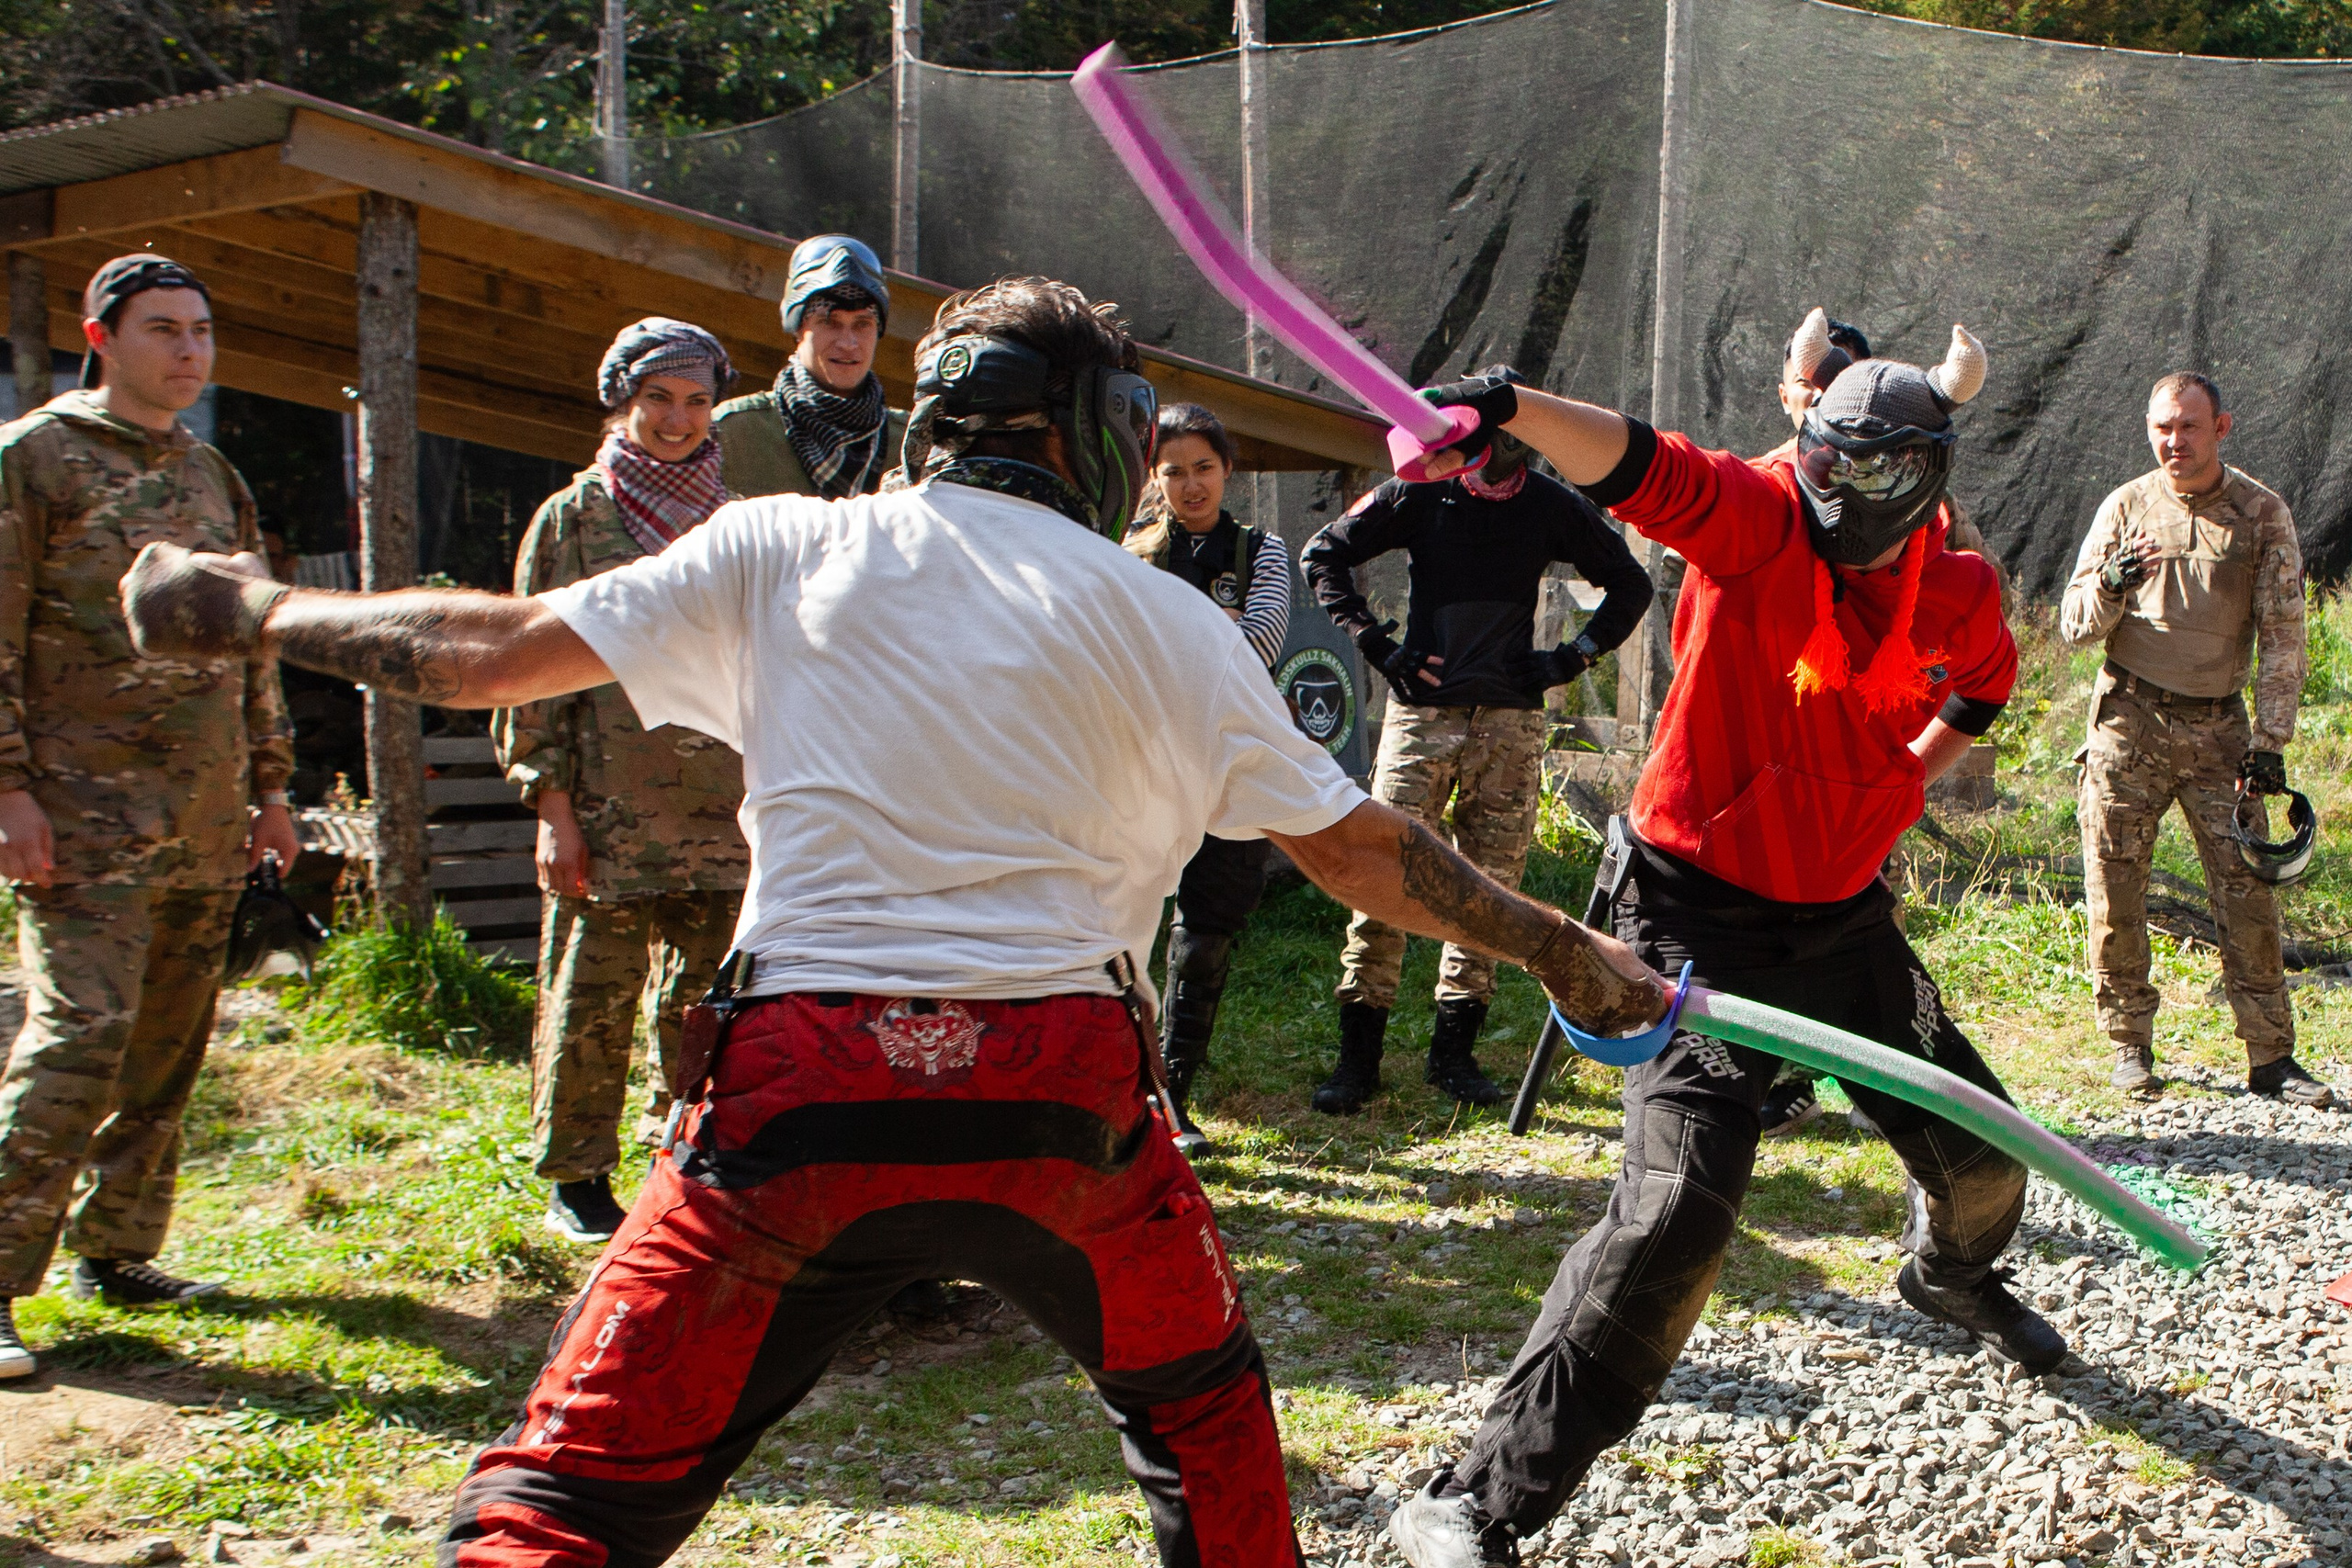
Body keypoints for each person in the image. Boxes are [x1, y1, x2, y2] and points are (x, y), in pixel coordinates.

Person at [118, 275, 1669, 1567]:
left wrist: (250, 609)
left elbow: (484, 648)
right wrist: (1565, 949)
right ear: (1105, 436)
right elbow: (1366, 851)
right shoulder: (1169, 620)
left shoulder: (780, 543)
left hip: (799, 1096)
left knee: (559, 1501)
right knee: (1216, 1454)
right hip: (1065, 1114)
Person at [1377, 313, 2071, 1568]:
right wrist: (1505, 402)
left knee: (1987, 1164)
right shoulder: (1756, 522)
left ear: (1926, 478)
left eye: (1878, 474)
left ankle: (1952, 1275)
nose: (1844, 495)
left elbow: (1987, 682)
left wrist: (1906, 776)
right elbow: (1645, 460)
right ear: (1809, 450)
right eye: (1831, 463)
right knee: (1675, 1215)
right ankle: (1471, 1500)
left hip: (1847, 930)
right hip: (1688, 925)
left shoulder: (1957, 587)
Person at [0, 254, 299, 1383]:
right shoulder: (35, 459)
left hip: (208, 811)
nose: (189, 352)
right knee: (78, 1037)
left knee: (168, 1045)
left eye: (203, 332)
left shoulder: (213, 472)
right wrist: (7, 789)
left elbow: (255, 636)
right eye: (165, 330)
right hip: (78, 818)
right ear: (101, 335)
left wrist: (274, 793)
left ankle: (118, 1253)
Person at [1301, 369, 1653, 1112]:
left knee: (1492, 888)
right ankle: (1357, 1059)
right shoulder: (1422, 491)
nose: (1512, 449)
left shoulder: (1552, 505)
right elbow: (1323, 554)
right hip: (1423, 717)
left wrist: (1570, 658)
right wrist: (1381, 647)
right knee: (1384, 872)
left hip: (1509, 722)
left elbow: (1630, 583)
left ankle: (1453, 1055)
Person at [493, 319, 751, 1245]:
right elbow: (526, 670)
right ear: (623, 403)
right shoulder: (572, 519)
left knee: (708, 1000)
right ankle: (577, 1175)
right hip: (607, 806)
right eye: (657, 401)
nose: (677, 421)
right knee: (590, 994)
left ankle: (682, 1150)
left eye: (694, 402)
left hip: (727, 810)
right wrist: (550, 804)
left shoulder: (740, 520)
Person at [2060, 372, 2329, 1106]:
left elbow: (2284, 635)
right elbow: (2074, 622)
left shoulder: (2259, 514)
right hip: (2130, 721)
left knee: (2247, 894)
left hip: (2220, 732)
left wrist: (2271, 743)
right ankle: (2129, 1046)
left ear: (2222, 427)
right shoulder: (2127, 506)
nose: (2173, 442)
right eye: (2161, 428)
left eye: (2188, 427)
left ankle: (2271, 1055)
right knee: (2115, 886)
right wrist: (2112, 582)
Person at [1123, 402, 1292, 1156]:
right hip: (1141, 765)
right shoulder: (1128, 554)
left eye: (1203, 468)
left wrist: (1174, 641)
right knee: (1119, 927)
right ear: (1152, 479)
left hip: (1231, 764)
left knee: (1205, 936)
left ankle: (1175, 1094)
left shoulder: (1263, 550)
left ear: (1227, 470)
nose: (1190, 485)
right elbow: (1117, 653)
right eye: (1174, 471)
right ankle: (1119, 1087)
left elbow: (1256, 646)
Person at [712, 233, 906, 500]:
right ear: (798, 328)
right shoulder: (732, 434)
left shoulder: (912, 446)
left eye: (863, 324)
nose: (848, 343)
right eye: (829, 322)